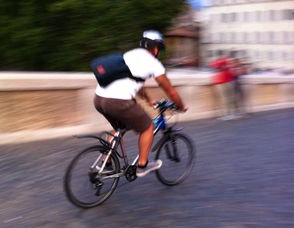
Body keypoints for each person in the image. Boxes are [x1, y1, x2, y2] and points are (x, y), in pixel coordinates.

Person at [93, 30, 187, 177]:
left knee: (119, 128)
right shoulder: (154, 64)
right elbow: (171, 91)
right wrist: (181, 106)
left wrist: (149, 100)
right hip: (118, 101)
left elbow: (137, 81)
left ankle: (106, 163)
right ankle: (142, 166)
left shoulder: (129, 55)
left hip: (99, 99)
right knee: (148, 126)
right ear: (155, 48)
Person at [210, 50, 235, 120]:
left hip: (223, 81)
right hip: (224, 81)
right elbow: (214, 65)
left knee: (226, 99)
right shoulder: (224, 61)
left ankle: (226, 114)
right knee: (227, 98)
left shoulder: (220, 62)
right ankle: (227, 114)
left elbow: (213, 65)